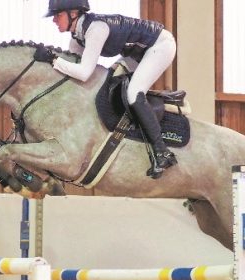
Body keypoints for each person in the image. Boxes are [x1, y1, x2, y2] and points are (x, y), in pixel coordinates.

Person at [34, 0, 178, 179]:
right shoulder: (77, 37)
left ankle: (162, 152)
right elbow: (73, 68)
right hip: (136, 53)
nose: (54, 20)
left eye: (58, 15)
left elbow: (84, 73)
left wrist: (53, 60)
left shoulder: (96, 29)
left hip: (160, 45)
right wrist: (51, 63)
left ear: (73, 14)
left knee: (133, 93)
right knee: (111, 81)